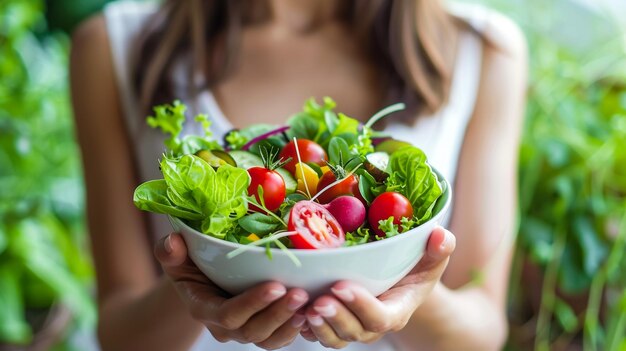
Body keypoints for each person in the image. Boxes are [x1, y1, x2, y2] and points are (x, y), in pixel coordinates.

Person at [70, 0, 527, 350]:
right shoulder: (113, 45)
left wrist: (407, 292)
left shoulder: (483, 50)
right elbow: (120, 332)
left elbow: (483, 330)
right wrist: (203, 279)